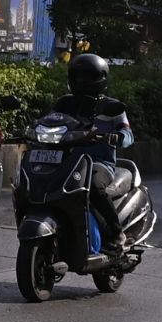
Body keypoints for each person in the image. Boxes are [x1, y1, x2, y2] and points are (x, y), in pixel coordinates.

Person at [52, 53, 135, 255]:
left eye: (88, 77)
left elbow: (128, 134)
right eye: (78, 76)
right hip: (68, 160)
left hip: (98, 163)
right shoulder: (65, 104)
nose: (82, 81)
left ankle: (117, 234)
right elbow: (49, 121)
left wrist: (116, 137)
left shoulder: (111, 106)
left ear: (101, 79)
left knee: (95, 187)